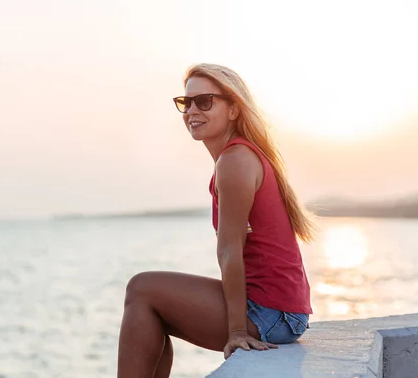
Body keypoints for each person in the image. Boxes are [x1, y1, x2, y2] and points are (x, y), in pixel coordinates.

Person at [116, 63, 315, 378]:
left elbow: (229, 251)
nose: (192, 110)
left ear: (234, 109)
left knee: (142, 288)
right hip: (282, 313)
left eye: (204, 101)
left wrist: (237, 331)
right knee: (153, 310)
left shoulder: (235, 161)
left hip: (270, 316)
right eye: (186, 102)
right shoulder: (239, 158)